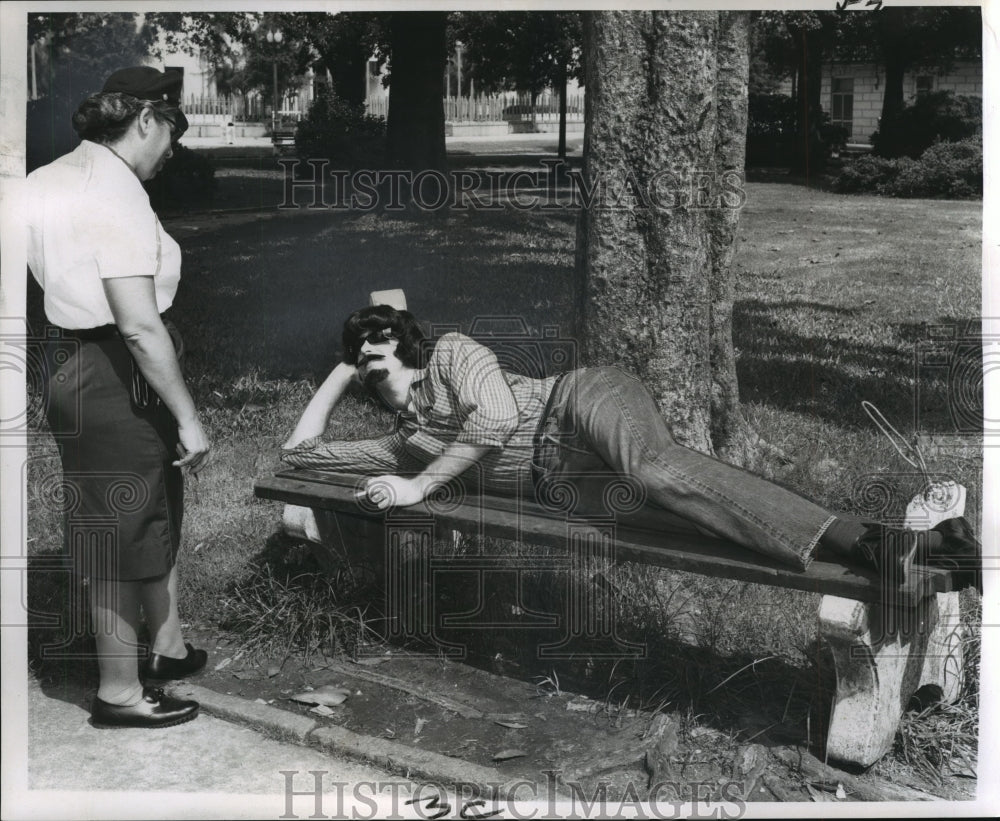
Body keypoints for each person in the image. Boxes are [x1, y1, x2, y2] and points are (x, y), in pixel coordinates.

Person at [282, 305, 978, 586]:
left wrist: (422, 484)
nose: (376, 366)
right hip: (572, 483)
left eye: (383, 352)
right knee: (691, 513)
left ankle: (870, 545)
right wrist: (339, 373)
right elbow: (301, 453)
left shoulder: (455, 355)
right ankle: (911, 544)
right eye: (364, 363)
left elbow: (493, 419)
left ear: (410, 347)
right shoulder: (406, 445)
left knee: (655, 466)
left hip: (582, 403)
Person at [26, 67, 211, 728]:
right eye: (173, 130)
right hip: (111, 364)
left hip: (74, 360)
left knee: (154, 501)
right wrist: (189, 416)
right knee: (118, 527)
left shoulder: (52, 175)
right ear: (146, 120)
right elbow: (136, 321)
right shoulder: (117, 192)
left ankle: (164, 647)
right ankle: (119, 691)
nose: (172, 148)